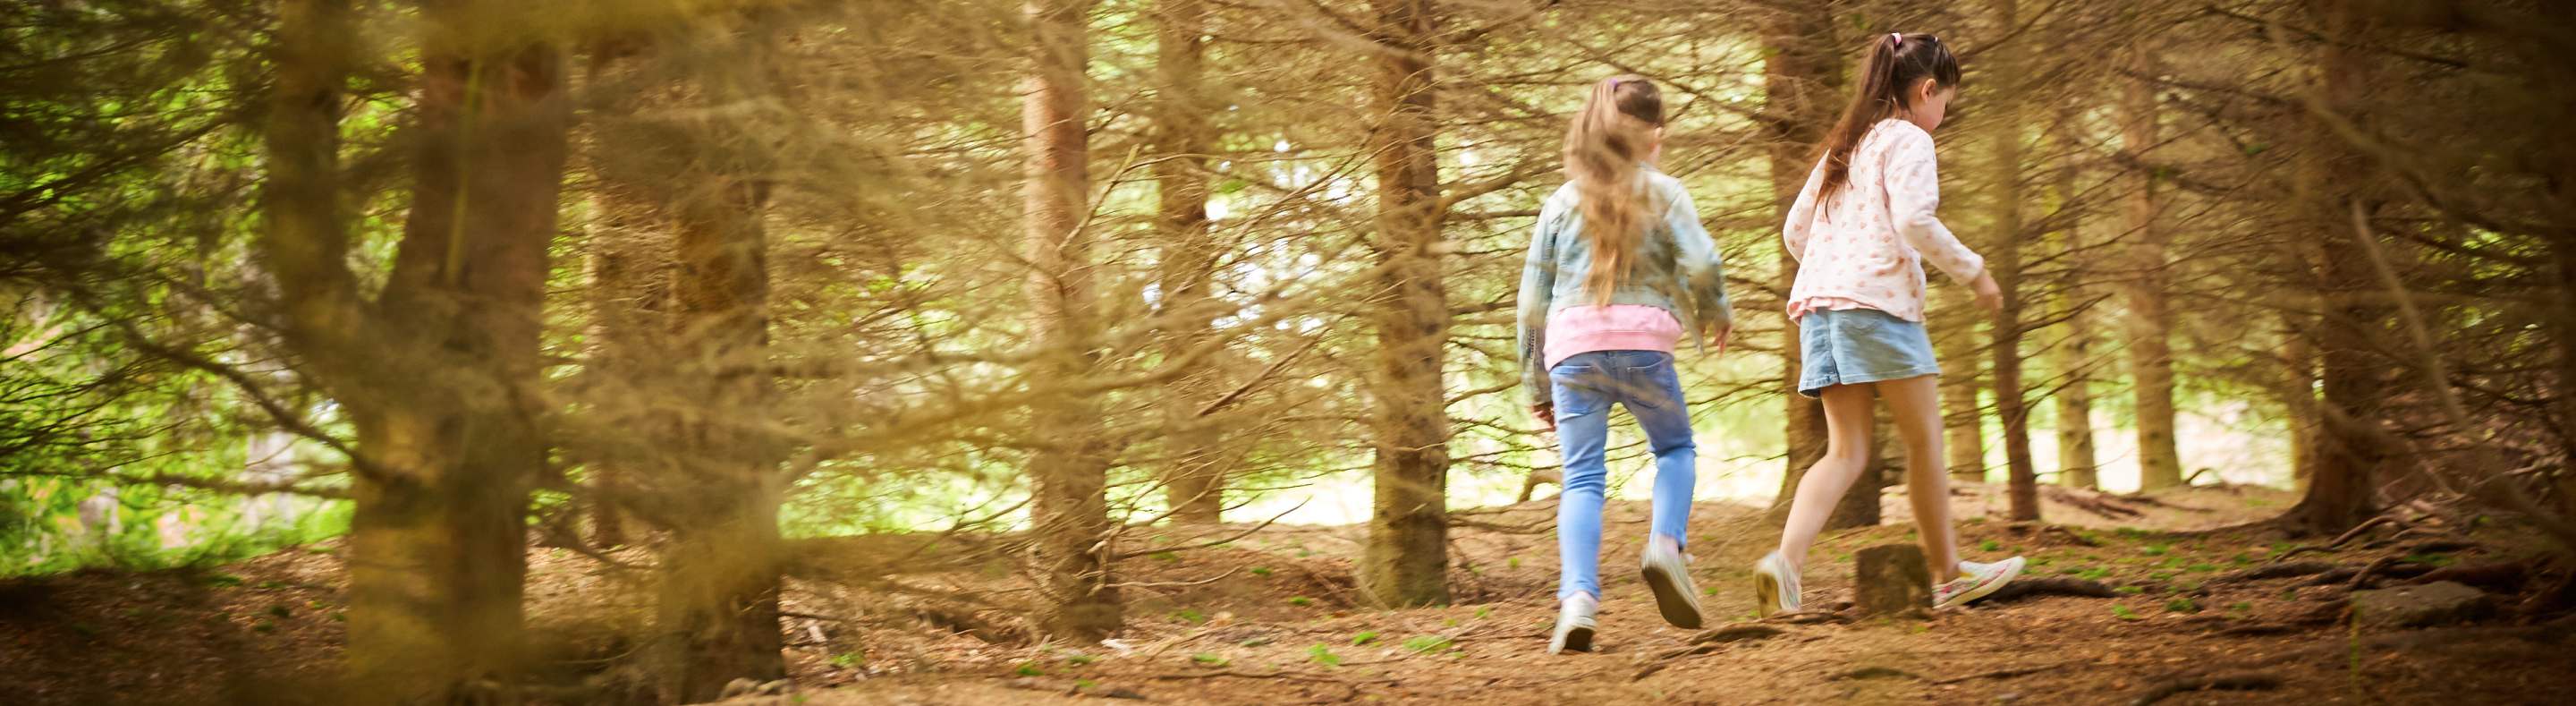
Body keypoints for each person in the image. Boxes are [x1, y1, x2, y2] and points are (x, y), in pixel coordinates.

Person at [1753, 32, 2024, 617]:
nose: (1942, 116)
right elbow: (1913, 218)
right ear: (1926, 90)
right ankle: (1947, 575)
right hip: (1878, 307)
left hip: (1819, 310)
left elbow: (1794, 233)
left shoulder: (1846, 145)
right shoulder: (1910, 140)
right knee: (1925, 441)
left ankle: (1785, 564)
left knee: (1845, 452)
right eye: (1945, 103)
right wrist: (1974, 272)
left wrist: (1835, 269)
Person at [1518, 75, 1733, 654]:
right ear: (1653, 136)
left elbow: (1532, 303)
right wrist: (1717, 313)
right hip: (1643, 346)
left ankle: (1577, 603)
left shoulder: (1561, 202)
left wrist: (1536, 381)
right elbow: (1705, 265)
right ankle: (1666, 545)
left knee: (1582, 478)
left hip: (1573, 351)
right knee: (1674, 448)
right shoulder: (1664, 193)